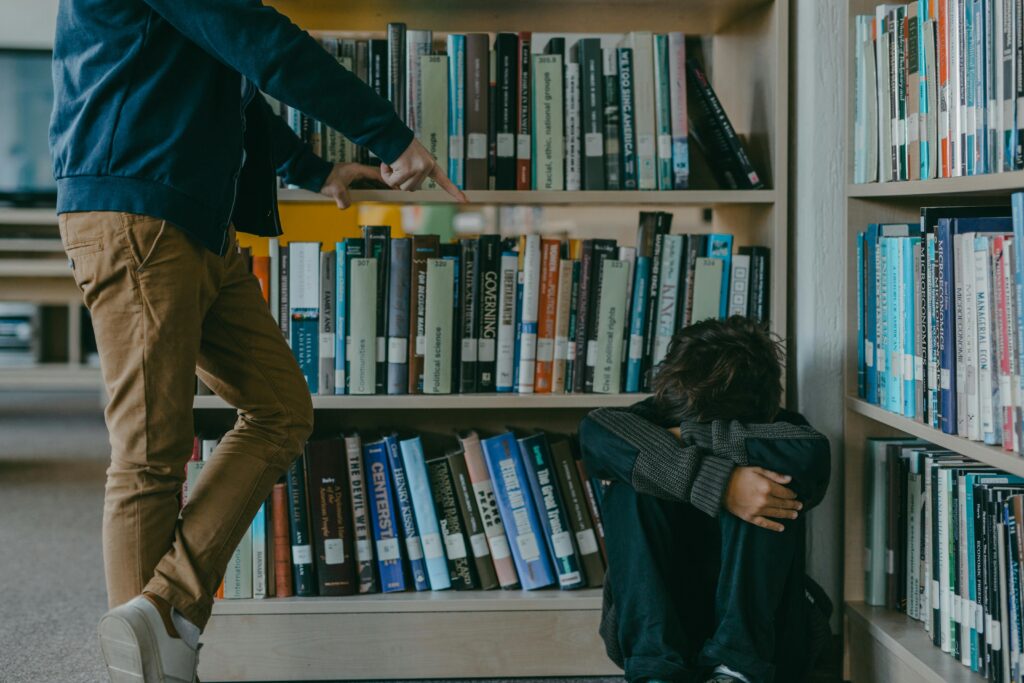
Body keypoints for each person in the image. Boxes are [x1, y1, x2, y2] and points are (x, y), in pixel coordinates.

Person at [49, 0, 465, 680]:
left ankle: (161, 612)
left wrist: (313, 168)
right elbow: (259, 41)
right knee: (150, 457)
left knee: (280, 405)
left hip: (193, 221)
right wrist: (388, 135)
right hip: (136, 210)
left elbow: (229, 72)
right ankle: (151, 665)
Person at [578, 316, 832, 683]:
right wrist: (721, 484)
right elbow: (594, 431)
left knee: (769, 484)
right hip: (656, 637)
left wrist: (691, 437)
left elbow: (813, 454)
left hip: (766, 647)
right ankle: (657, 672)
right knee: (630, 485)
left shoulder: (788, 434)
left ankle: (735, 670)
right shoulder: (651, 417)